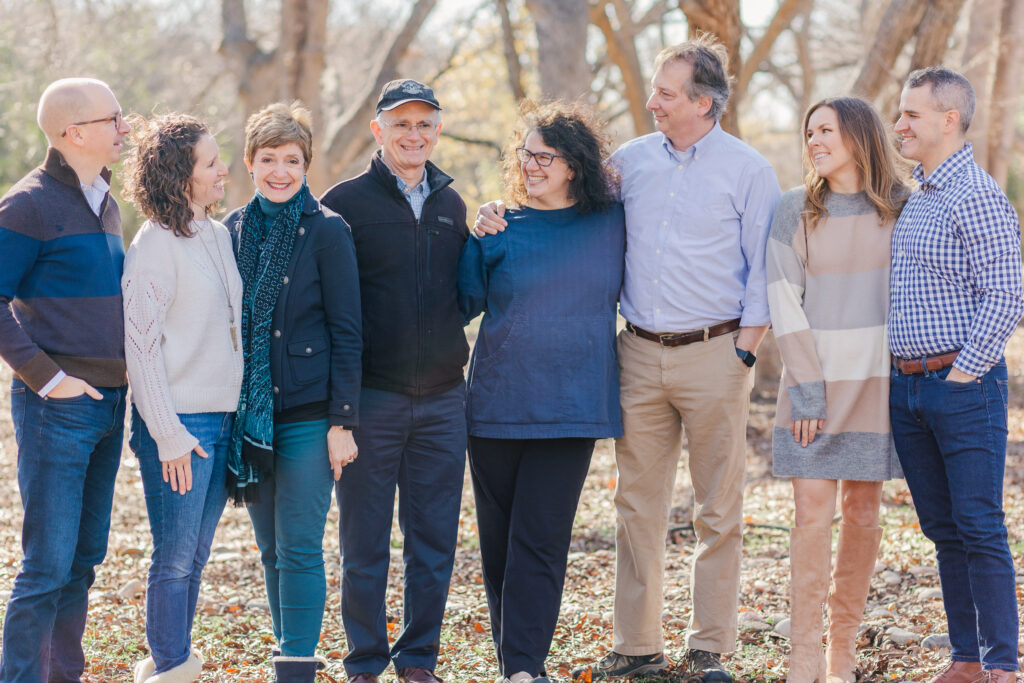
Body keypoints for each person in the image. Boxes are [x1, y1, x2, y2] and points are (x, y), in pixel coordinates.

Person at [477, 36, 781, 682]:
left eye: (666, 93)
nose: (653, 102)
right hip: (638, 352)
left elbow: (766, 271)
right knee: (636, 505)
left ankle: (710, 645)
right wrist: (497, 212)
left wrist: (744, 351)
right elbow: (562, 201)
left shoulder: (749, 171)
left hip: (717, 351)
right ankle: (638, 645)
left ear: (703, 102)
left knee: (716, 507)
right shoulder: (629, 163)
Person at [457, 101, 626, 683]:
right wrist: (474, 227)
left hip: (572, 407)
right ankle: (516, 666)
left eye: (544, 157)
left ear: (574, 164)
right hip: (496, 407)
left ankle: (526, 667)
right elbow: (460, 304)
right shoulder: (500, 229)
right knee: (499, 545)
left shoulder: (613, 223)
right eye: (525, 154)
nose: (530, 165)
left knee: (541, 539)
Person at [320, 79, 469, 683]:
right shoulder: (343, 204)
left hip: (444, 401)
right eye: (401, 124)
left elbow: (463, 295)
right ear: (377, 129)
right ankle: (364, 660)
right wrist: (341, 409)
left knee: (433, 543)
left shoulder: (452, 205)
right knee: (364, 543)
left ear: (437, 131)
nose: (413, 135)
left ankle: (418, 660)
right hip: (371, 400)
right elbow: (328, 309)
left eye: (424, 124)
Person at [766, 97, 908, 683]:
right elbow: (783, 301)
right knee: (810, 514)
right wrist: (807, 391)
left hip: (877, 387)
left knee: (864, 510)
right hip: (812, 388)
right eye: (809, 132)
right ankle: (804, 657)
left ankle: (840, 651)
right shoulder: (794, 209)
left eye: (825, 130)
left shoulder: (903, 207)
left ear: (858, 135)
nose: (814, 141)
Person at [888, 67, 1022, 683]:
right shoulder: (917, 196)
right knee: (943, 530)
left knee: (979, 526)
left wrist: (963, 377)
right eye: (900, 112)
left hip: (963, 387)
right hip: (907, 387)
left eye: (911, 114)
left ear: (948, 120)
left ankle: (1002, 664)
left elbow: (1007, 294)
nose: (899, 124)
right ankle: (966, 659)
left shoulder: (977, 194)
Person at [224, 101, 362, 683]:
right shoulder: (230, 231)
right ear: (250, 163)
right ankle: (289, 652)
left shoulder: (327, 230)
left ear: (306, 165)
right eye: (268, 159)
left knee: (299, 544)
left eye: (291, 160)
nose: (279, 171)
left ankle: (296, 665)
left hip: (309, 414)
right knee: (269, 549)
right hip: (251, 418)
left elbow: (348, 330)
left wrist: (342, 421)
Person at [0, 77, 131, 682]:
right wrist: (49, 380)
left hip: (110, 403)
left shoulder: (106, 200)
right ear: (75, 133)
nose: (124, 127)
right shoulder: (27, 205)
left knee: (82, 561)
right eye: (113, 118)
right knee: (47, 566)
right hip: (57, 408)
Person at [120, 114, 242, 683]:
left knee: (195, 555)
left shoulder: (217, 234)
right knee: (172, 557)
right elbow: (141, 349)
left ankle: (171, 658)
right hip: (179, 424)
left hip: (222, 419)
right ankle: (171, 667)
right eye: (210, 163)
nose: (223, 170)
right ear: (179, 175)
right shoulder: (153, 245)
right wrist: (168, 434)